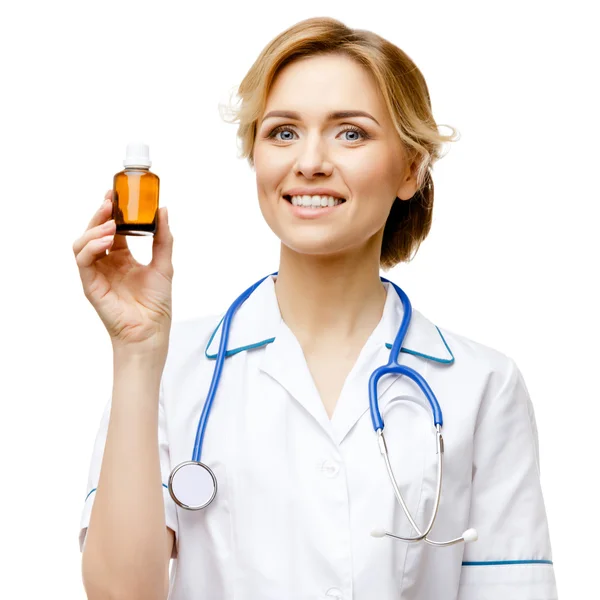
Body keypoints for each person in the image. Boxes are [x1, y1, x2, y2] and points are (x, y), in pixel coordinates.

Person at [73, 16, 557, 600]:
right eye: (282, 132)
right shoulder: (168, 370)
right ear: (255, 156)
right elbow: (121, 596)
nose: (310, 161)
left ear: (411, 168)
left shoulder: (483, 385)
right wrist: (135, 353)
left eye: (350, 133)